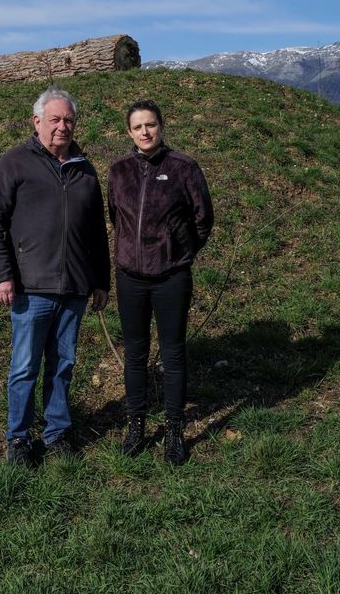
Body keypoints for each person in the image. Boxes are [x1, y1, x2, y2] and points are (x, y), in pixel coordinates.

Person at [0, 86, 110, 465]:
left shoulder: (85, 169)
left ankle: (57, 432)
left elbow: (97, 233)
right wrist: (1, 275)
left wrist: (101, 280)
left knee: (63, 364)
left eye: (68, 120)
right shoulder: (15, 162)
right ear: (37, 121)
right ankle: (18, 439)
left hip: (75, 288)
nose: (62, 126)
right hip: (31, 286)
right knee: (25, 367)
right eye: (54, 119)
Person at [107, 99, 213, 465]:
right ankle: (136, 425)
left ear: (161, 126)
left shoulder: (184, 168)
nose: (145, 132)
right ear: (129, 132)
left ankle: (173, 430)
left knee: (173, 354)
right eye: (137, 127)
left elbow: (203, 218)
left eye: (150, 124)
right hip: (130, 278)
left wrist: (180, 251)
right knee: (135, 354)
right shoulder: (119, 171)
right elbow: (115, 216)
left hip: (171, 277)